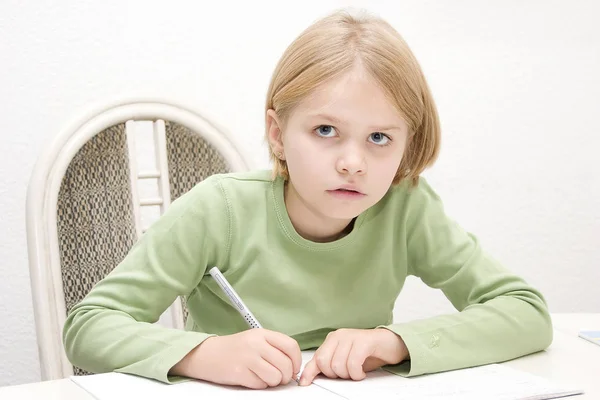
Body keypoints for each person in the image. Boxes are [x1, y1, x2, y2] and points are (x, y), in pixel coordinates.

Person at [62, 8, 553, 390]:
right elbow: (88, 327)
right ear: (278, 134)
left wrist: (394, 343)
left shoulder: (407, 209)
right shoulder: (220, 210)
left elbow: (525, 312)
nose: (353, 162)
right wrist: (206, 353)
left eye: (380, 138)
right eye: (325, 130)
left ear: (407, 142)